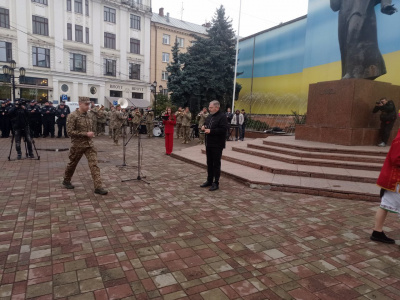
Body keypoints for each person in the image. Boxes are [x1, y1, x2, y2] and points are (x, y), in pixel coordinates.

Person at [330, 0, 397, 80]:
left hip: (362, 10)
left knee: (353, 36)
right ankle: (370, 69)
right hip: (344, 15)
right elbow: (334, 6)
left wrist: (385, 4)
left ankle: (353, 73)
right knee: (345, 46)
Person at [62, 97, 108, 195]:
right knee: (72, 164)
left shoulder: (89, 115)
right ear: (80, 104)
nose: (88, 106)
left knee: (94, 165)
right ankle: (66, 180)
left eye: (89, 104)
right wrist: (85, 134)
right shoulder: (72, 116)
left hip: (89, 145)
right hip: (77, 145)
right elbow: (69, 132)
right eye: (86, 104)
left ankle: (98, 187)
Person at [370, 129, 400, 244]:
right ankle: (377, 231)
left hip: (393, 180)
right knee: (385, 204)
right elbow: (396, 158)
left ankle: (377, 232)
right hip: (396, 180)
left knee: (385, 204)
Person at [200, 100, 228, 191]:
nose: (209, 109)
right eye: (209, 107)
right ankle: (209, 180)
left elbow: (223, 129)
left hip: (217, 144)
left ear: (217, 107)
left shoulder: (222, 117)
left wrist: (211, 131)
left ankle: (216, 182)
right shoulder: (210, 116)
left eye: (211, 107)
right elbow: (206, 123)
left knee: (216, 164)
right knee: (209, 163)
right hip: (209, 143)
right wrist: (204, 126)